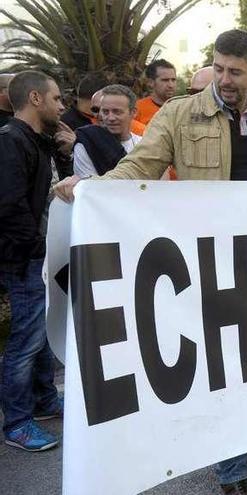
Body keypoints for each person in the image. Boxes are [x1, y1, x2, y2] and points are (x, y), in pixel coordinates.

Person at [54, 29, 247, 495]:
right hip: (204, 260)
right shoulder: (179, 114)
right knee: (225, 365)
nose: (225, 79)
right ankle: (232, 471)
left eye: (236, 72)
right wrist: (90, 188)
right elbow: (138, 168)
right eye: (219, 68)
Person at [0, 70, 66, 452]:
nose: (62, 105)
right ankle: (18, 423)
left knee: (38, 334)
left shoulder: (36, 141)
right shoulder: (11, 141)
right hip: (25, 258)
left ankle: (42, 403)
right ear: (36, 99)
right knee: (26, 340)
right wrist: (36, 249)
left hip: (36, 255)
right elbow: (9, 206)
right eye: (56, 98)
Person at [72, 84, 142, 177]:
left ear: (133, 112)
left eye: (117, 112)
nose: (111, 118)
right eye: (105, 112)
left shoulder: (144, 145)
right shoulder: (87, 144)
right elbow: (89, 186)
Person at [135, 59, 177, 127]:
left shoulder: (182, 109)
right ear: (150, 82)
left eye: (173, 80)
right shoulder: (137, 109)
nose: (171, 85)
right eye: (165, 80)